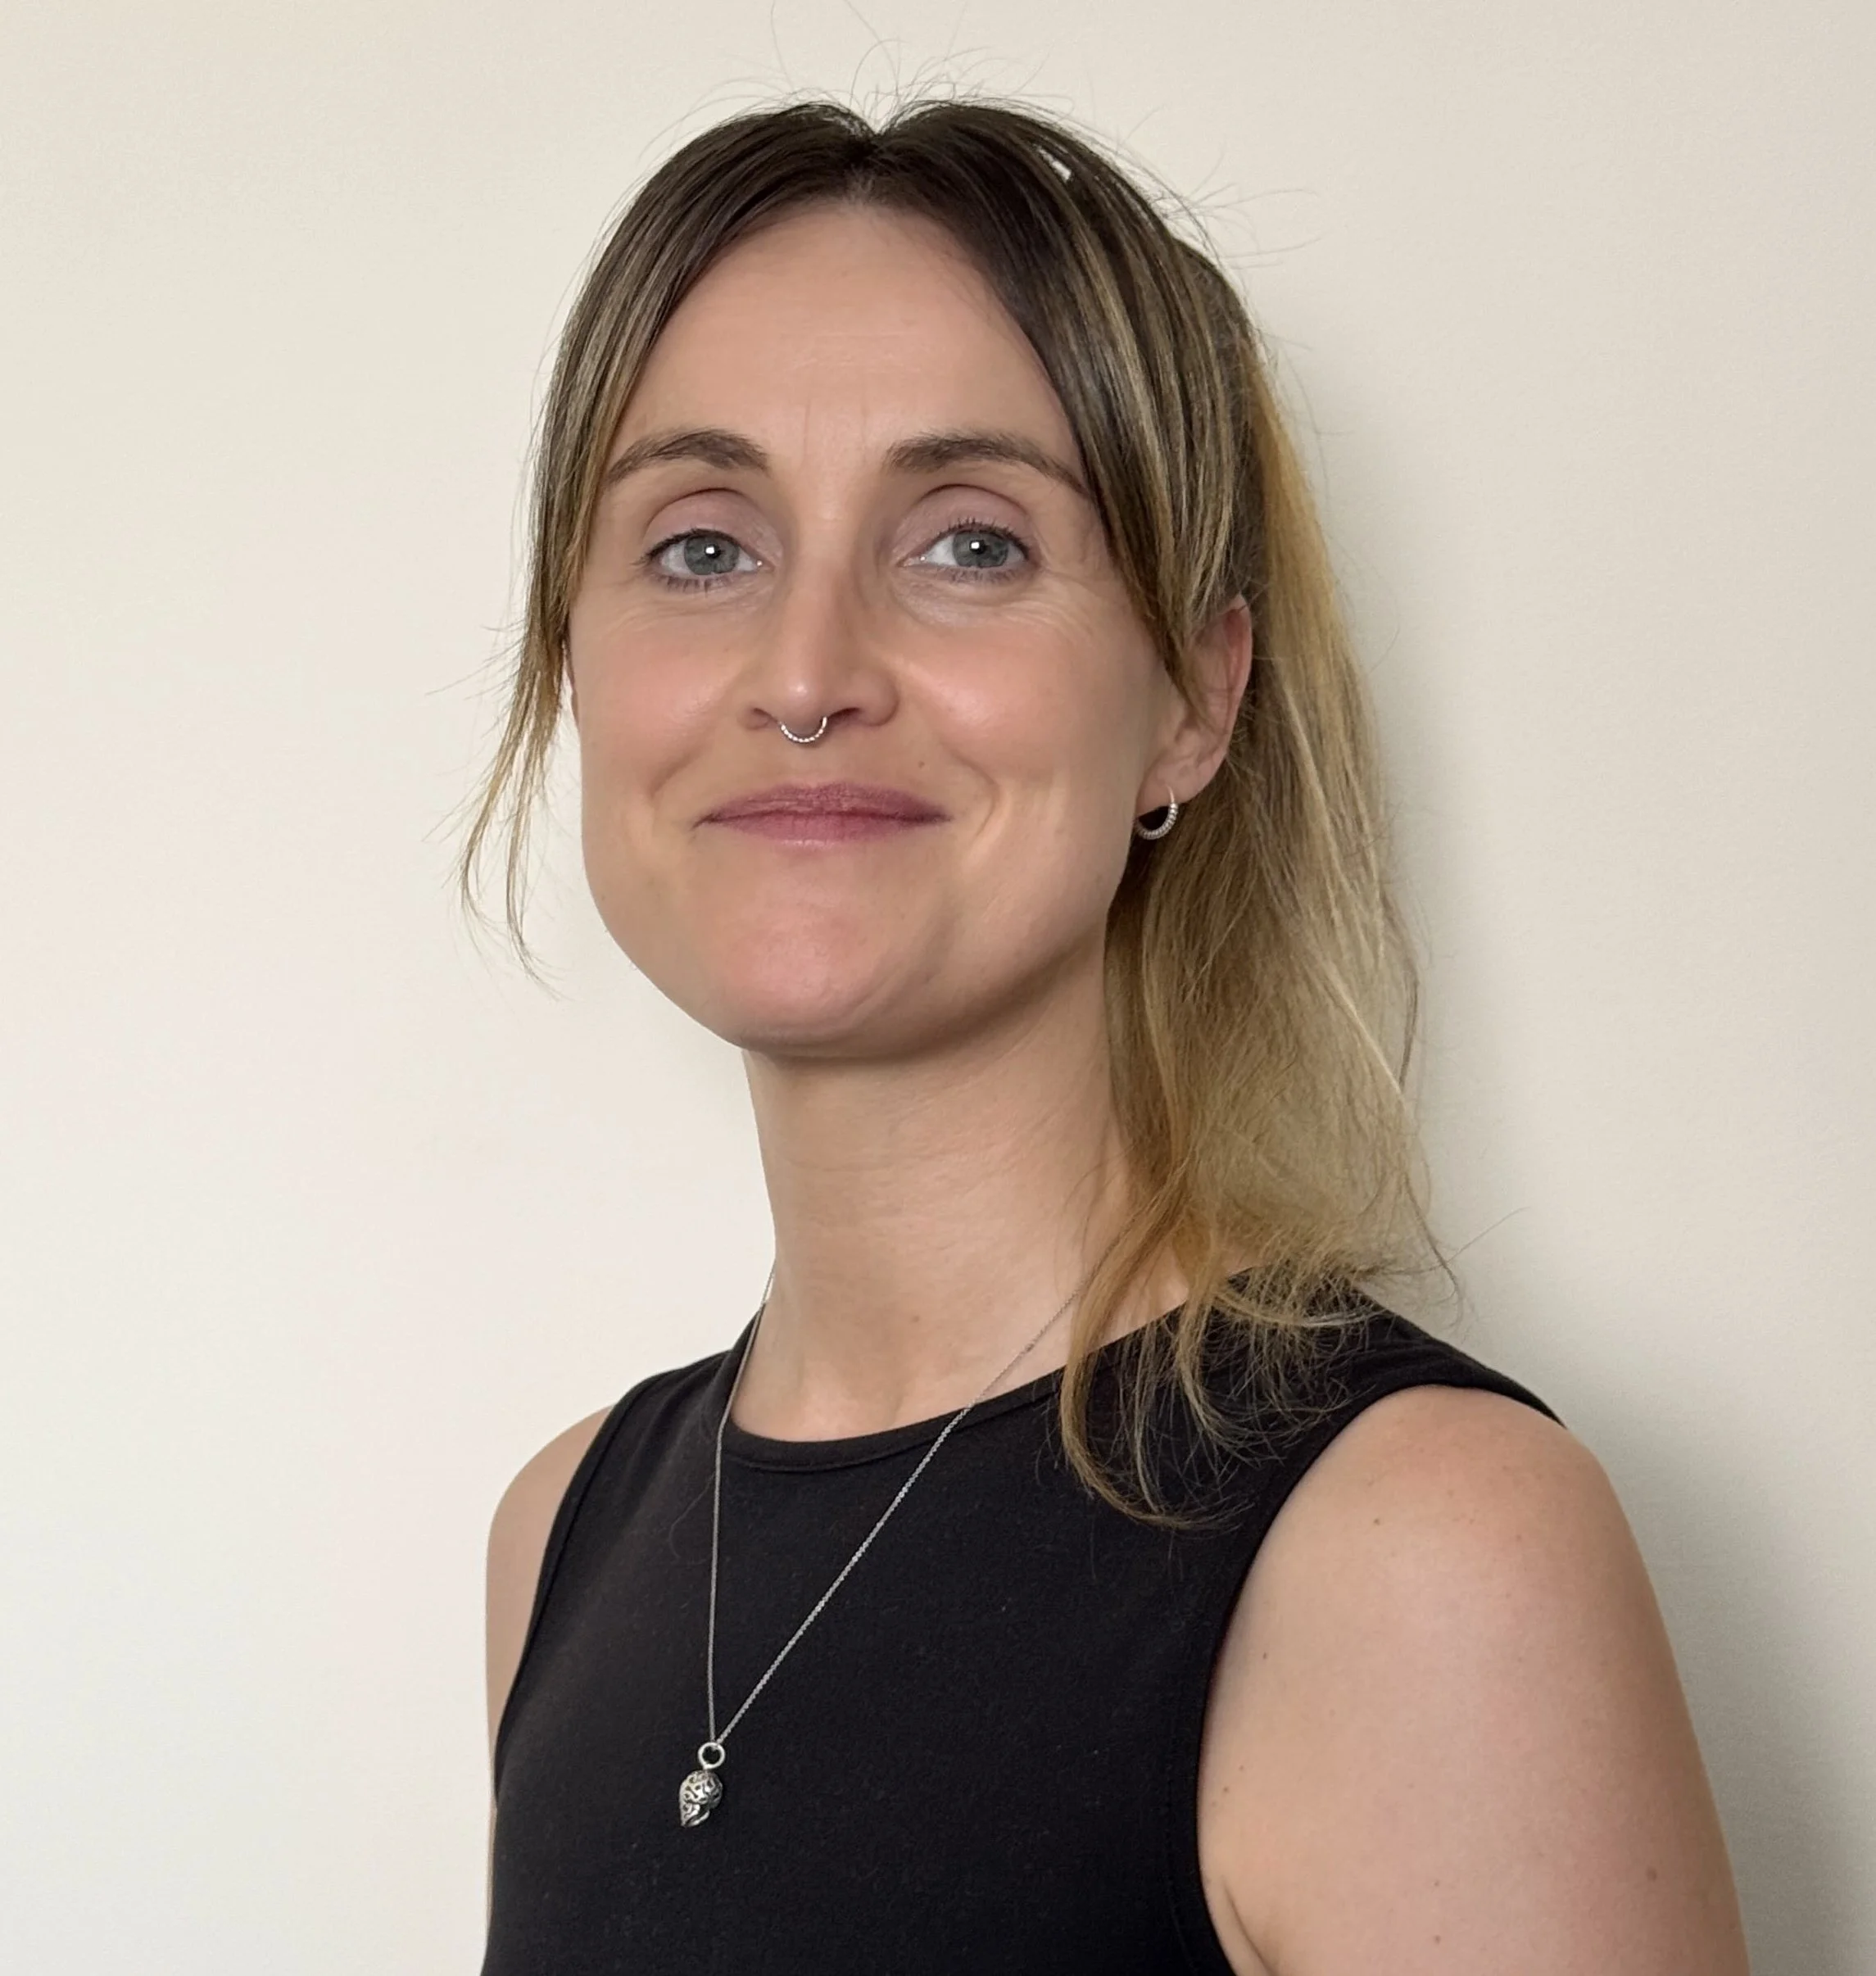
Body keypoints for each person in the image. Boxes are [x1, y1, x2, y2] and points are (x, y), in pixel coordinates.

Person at [464, 97, 1748, 1975]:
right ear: (578, 659)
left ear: (1190, 706)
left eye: (969, 543)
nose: (806, 672)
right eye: (701, 547)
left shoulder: (1421, 1557)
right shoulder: (560, 1535)